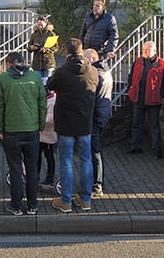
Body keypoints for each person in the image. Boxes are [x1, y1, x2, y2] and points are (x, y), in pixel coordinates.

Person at [46, 38, 98, 213]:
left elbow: (49, 85)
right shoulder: (93, 71)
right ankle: (85, 200)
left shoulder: (62, 71)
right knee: (86, 160)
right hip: (85, 122)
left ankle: (66, 201)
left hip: (66, 122)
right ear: (81, 50)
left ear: (66, 52)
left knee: (66, 162)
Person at [0, 52, 47, 215]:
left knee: (15, 168)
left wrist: (0, 129)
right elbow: (42, 103)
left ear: (9, 64)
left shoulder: (3, 79)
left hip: (11, 131)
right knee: (32, 168)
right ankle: (33, 205)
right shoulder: (35, 78)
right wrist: (41, 125)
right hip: (32, 131)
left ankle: (16, 205)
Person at [126, 41, 164, 158]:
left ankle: (157, 150)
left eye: (148, 50)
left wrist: (161, 94)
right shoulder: (137, 62)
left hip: (153, 101)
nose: (145, 52)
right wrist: (130, 89)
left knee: (154, 126)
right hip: (138, 99)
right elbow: (130, 77)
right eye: (143, 50)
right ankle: (136, 147)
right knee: (136, 124)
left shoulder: (162, 64)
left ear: (154, 51)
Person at [84, 48, 113, 197]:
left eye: (85, 59)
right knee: (97, 149)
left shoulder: (96, 75)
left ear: (92, 59)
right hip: (103, 114)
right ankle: (98, 181)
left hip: (95, 117)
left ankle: (97, 184)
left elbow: (90, 98)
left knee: (95, 151)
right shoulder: (105, 71)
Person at [38, 83, 57, 191]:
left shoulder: (51, 103)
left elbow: (49, 120)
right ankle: (36, 175)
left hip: (48, 136)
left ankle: (50, 178)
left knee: (49, 157)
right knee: (37, 157)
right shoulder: (44, 101)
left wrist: (38, 123)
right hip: (41, 135)